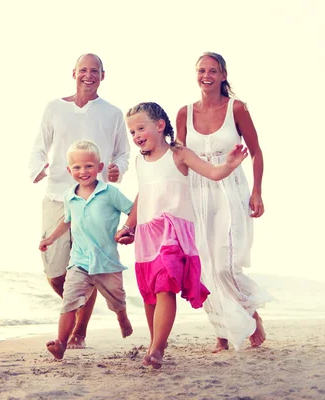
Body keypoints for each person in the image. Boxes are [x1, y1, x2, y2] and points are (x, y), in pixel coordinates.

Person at [115, 102, 248, 369]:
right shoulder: (141, 161)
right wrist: (129, 226)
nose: (136, 135)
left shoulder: (179, 154)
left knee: (165, 286)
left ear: (160, 125)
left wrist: (230, 165)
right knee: (150, 293)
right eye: (132, 132)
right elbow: (143, 196)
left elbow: (212, 172)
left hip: (174, 230)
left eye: (141, 128)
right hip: (147, 233)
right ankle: (155, 344)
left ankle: (157, 350)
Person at [28, 53, 130, 349]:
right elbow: (39, 146)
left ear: (103, 75)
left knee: (91, 263)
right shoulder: (54, 108)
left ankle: (79, 332)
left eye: (94, 70)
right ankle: (81, 300)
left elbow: (123, 153)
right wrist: (38, 169)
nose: (89, 75)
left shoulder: (112, 113)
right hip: (57, 195)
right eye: (83, 70)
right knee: (54, 270)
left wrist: (117, 169)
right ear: (73, 73)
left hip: (97, 198)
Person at [175, 52, 273, 353]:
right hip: (197, 193)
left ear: (223, 75)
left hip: (230, 190)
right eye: (202, 70)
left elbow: (256, 152)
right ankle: (221, 334)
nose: (207, 75)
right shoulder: (183, 113)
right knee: (205, 266)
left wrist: (257, 192)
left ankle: (250, 315)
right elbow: (178, 159)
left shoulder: (237, 108)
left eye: (213, 70)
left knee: (225, 265)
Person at [40, 140, 134, 360]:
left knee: (116, 298)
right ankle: (61, 343)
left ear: (100, 167)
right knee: (69, 301)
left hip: (107, 261)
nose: (83, 171)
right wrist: (51, 238)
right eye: (77, 167)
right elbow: (67, 220)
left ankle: (122, 317)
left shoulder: (110, 192)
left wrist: (128, 230)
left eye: (89, 166)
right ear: (69, 170)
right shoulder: (69, 195)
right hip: (79, 261)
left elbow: (132, 210)